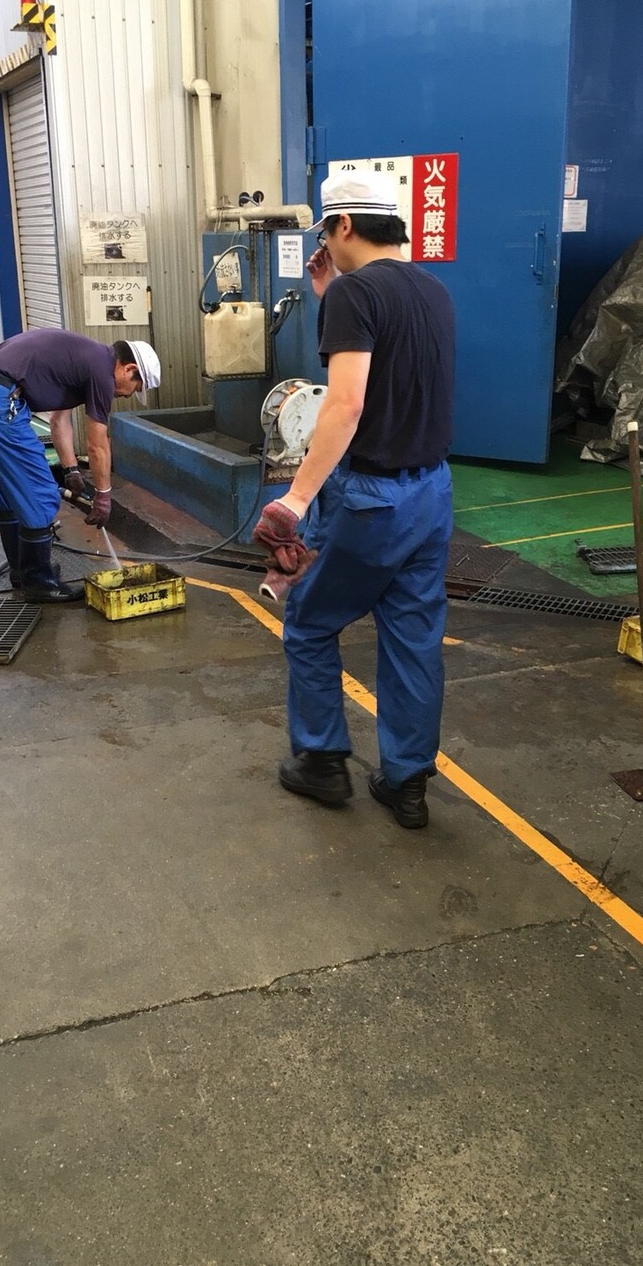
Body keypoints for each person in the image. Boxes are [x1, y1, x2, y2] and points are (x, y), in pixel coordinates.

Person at [253, 169, 456, 829]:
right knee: (413, 636)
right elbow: (389, 364)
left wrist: (295, 499)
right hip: (431, 491)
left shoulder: (356, 293)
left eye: (327, 235)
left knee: (310, 621)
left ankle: (321, 761)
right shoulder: (432, 289)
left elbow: (345, 404)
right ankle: (407, 782)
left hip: (370, 498)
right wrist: (328, 297)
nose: (326, 248)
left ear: (343, 225)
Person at [0, 330, 161, 602]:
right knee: (41, 494)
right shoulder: (102, 373)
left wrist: (70, 469)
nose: (128, 395)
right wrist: (103, 496)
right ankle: (40, 583)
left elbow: (59, 420)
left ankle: (23, 572)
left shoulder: (83, 358)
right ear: (129, 369)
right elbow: (97, 445)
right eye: (136, 387)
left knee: (10, 493)